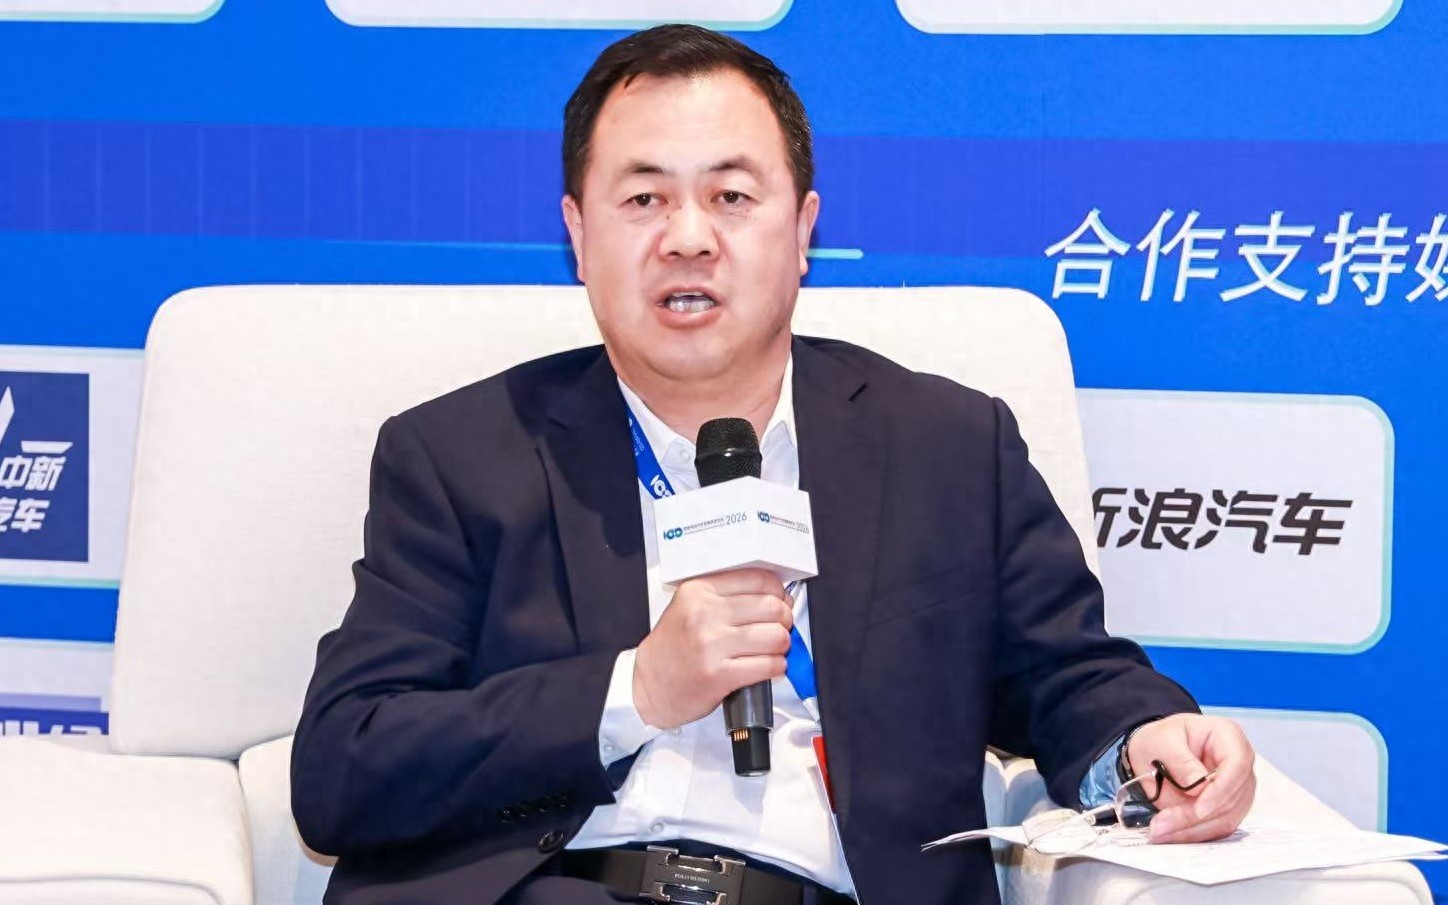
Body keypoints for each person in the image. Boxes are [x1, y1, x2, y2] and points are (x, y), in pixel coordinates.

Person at [291, 23, 1256, 905]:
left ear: (801, 231)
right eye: (643, 198)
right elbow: (343, 769)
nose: (688, 237)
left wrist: (1143, 743)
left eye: (731, 196)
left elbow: (1068, 676)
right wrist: (636, 691)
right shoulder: (460, 455)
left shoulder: (949, 446)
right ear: (579, 236)